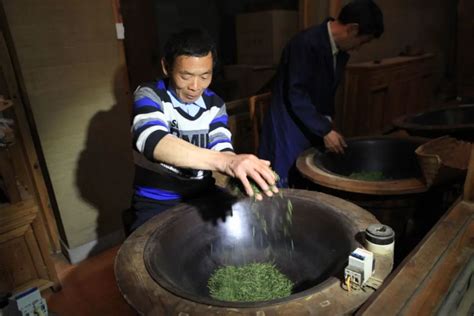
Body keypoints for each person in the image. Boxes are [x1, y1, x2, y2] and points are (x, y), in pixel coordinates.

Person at [127, 28, 278, 233]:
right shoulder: (149, 95)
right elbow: (152, 140)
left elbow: (222, 146)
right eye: (186, 75)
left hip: (202, 192)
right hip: (157, 199)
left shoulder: (214, 103)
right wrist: (225, 162)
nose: (195, 86)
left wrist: (236, 166)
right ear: (166, 67)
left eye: (205, 76)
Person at [258, 0, 384, 188]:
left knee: (309, 179)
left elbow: (324, 92)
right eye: (362, 41)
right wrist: (324, 129)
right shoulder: (305, 43)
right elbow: (296, 93)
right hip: (288, 124)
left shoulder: (339, 51)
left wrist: (327, 122)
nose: (358, 47)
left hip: (310, 121)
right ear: (352, 29)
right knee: (284, 184)